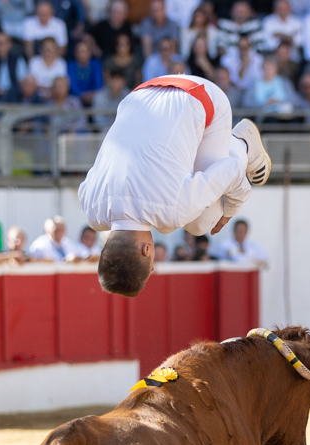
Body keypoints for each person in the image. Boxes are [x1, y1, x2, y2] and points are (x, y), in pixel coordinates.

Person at [77, 74, 272, 297]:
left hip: (201, 94)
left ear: (147, 249)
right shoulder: (91, 210)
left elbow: (233, 170)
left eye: (150, 265)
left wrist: (231, 209)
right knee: (174, 213)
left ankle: (241, 142)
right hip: (141, 92)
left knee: (200, 223)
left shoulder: (173, 211)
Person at [0, 32, 27, 98]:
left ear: (9, 44)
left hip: (14, 97)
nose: (0, 47)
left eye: (2, 43)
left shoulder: (18, 59)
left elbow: (22, 82)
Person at [68, 39, 102, 105]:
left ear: (90, 52)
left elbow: (98, 83)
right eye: (80, 51)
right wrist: (82, 95)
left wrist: (92, 94)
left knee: (100, 99)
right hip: (76, 96)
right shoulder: (71, 66)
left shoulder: (96, 64)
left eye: (85, 51)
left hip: (94, 95)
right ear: (75, 53)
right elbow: (72, 85)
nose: (83, 54)